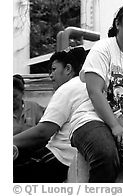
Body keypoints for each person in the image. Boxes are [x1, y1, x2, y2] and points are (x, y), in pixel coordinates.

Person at [69, 2, 123, 183]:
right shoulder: (102, 48)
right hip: (92, 117)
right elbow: (94, 91)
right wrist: (115, 126)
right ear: (118, 24)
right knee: (105, 154)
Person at [13, 47, 87, 183]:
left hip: (61, 157)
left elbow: (43, 132)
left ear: (68, 69)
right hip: (77, 155)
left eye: (54, 69)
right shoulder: (88, 86)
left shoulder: (67, 88)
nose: (51, 75)